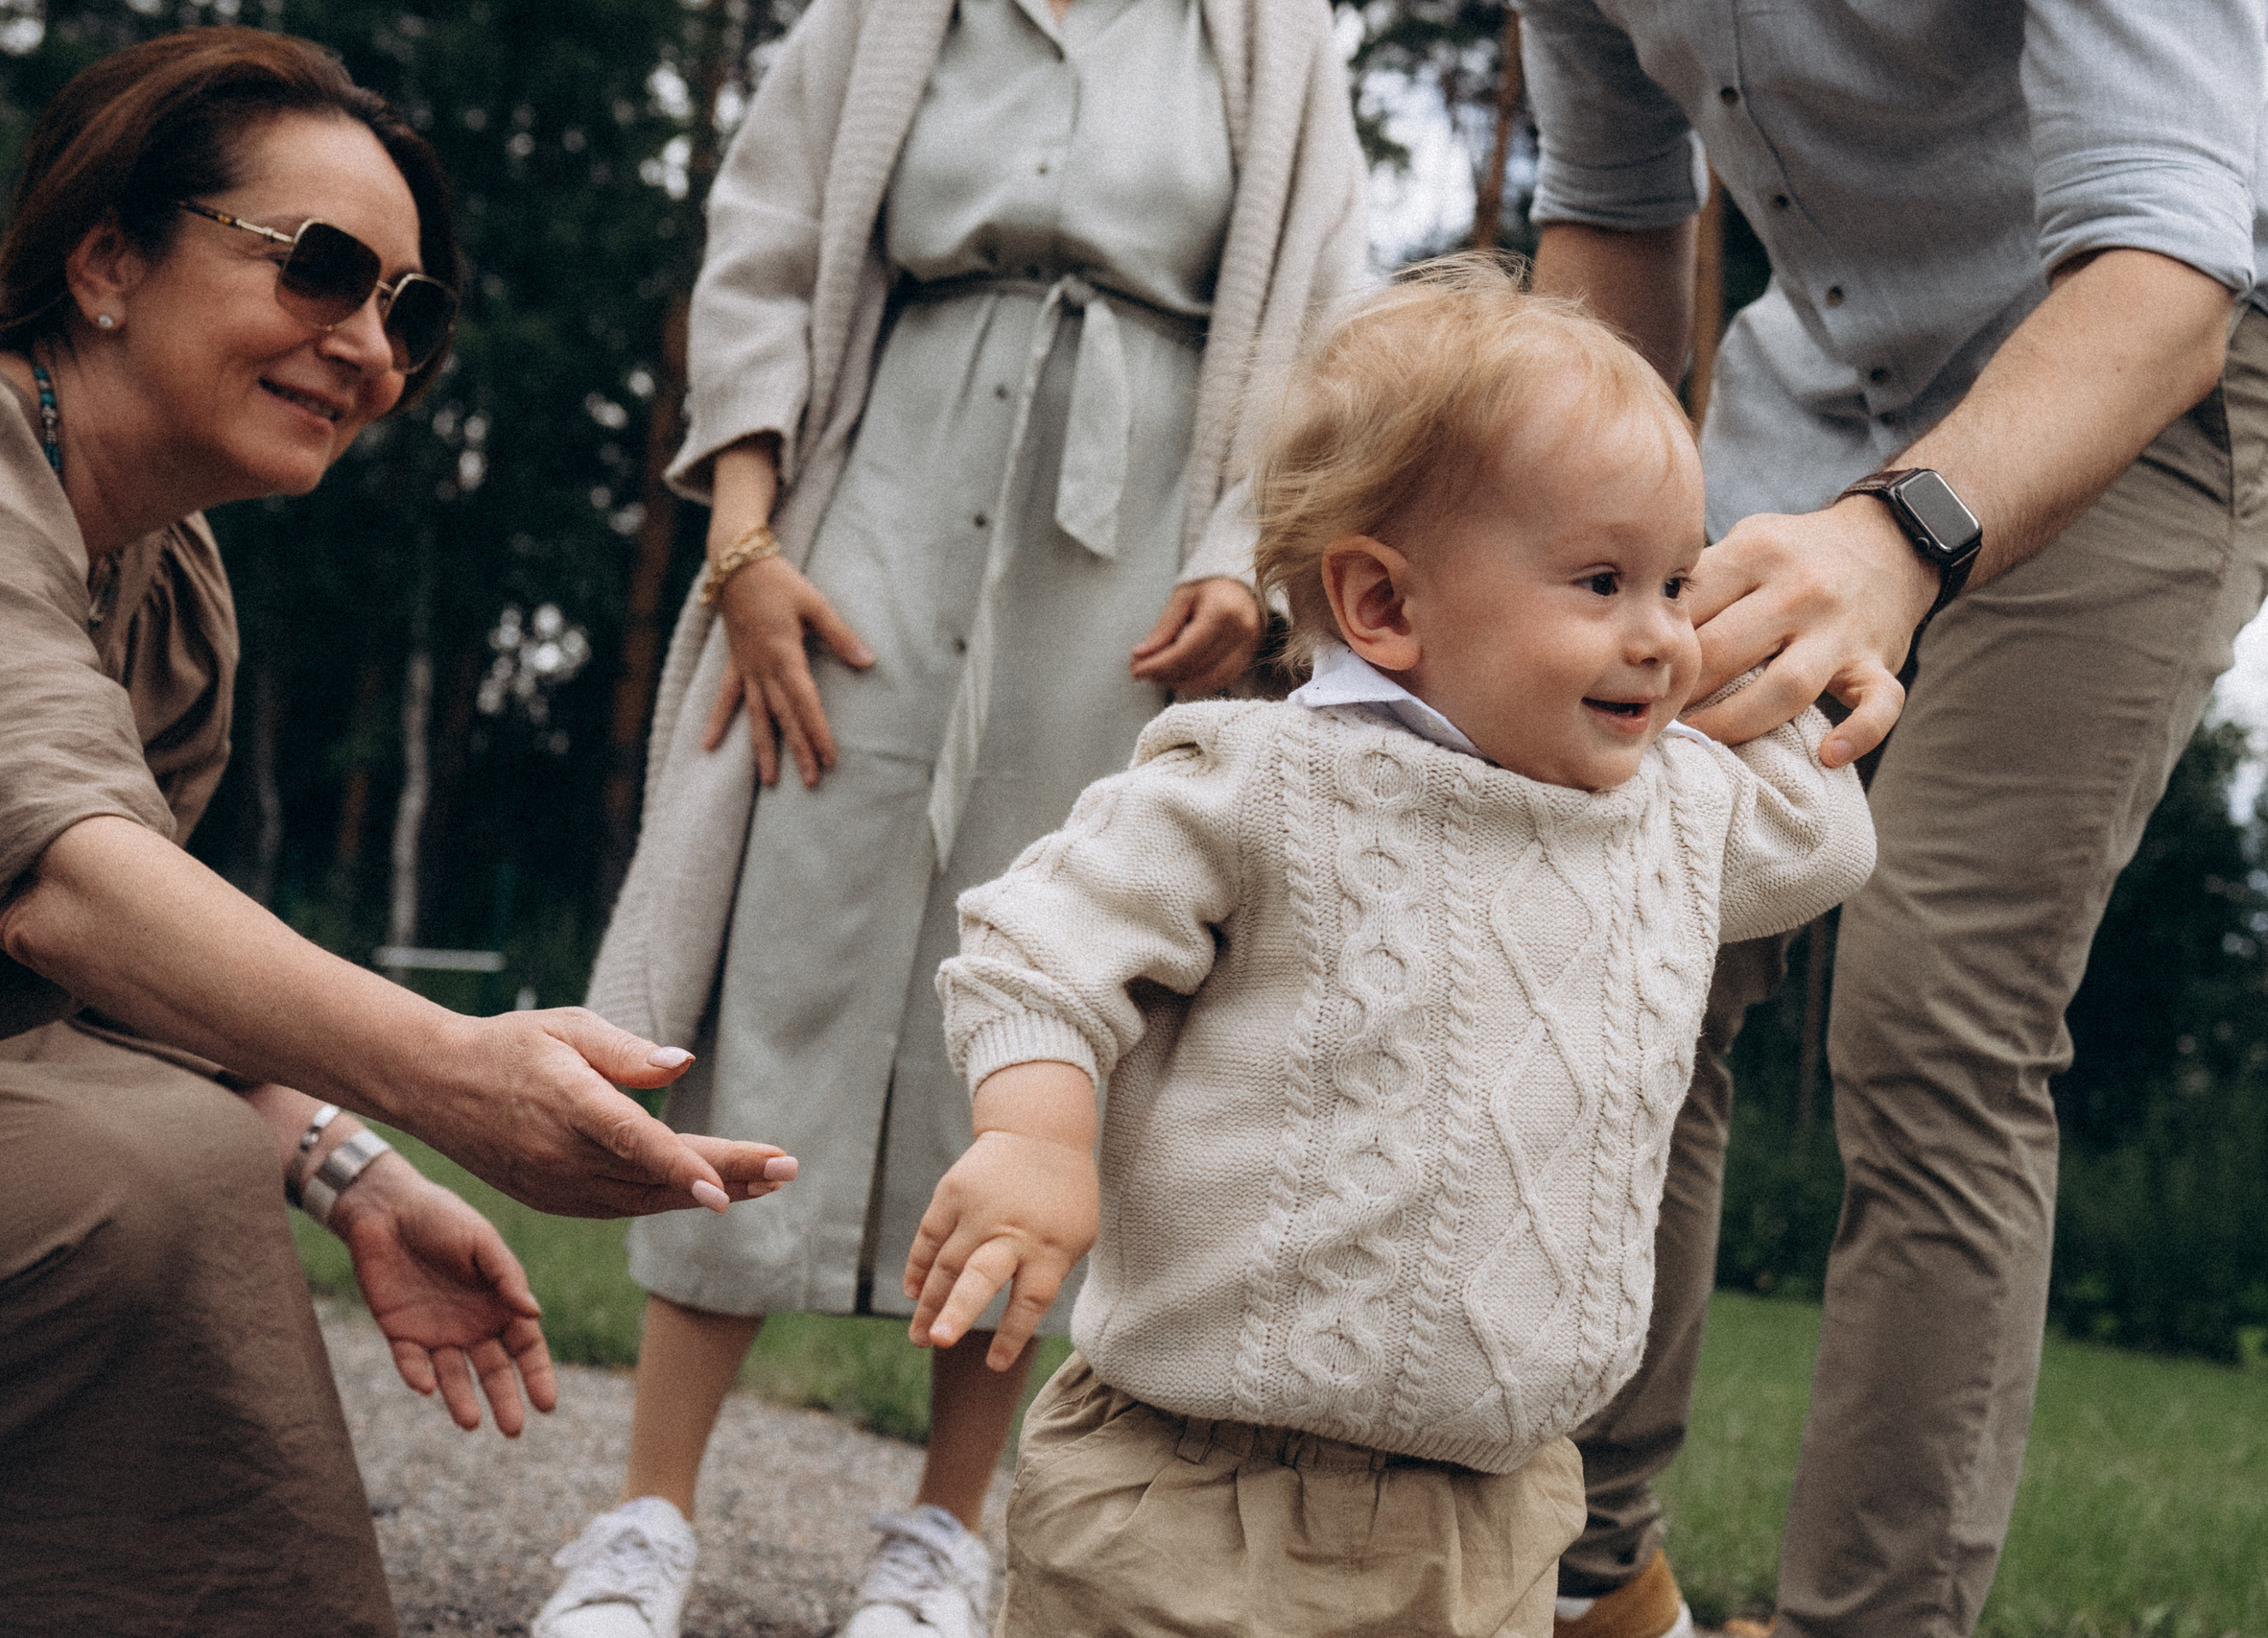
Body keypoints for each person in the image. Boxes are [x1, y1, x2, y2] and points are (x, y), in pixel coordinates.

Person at [1511, 5, 2268, 1635]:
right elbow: (1614, 218)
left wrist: (1901, 544)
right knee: (1631, 939)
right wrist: (1535, 559)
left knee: (1932, 1006)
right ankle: (1581, 1588)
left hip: (2153, 359)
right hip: (1825, 382)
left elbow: (2166, 274)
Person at [898, 259, 1877, 1638]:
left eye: (1679, 580)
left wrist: (1807, 666)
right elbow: (1035, 949)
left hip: (1492, 1518)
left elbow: (1827, 841)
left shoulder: (1672, 807)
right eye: (1603, 580)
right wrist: (1042, 1140)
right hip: (1192, 1490)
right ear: (1385, 607)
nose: (1662, 635)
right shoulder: (1263, 782)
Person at [552, 2, 1370, 1634]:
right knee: (767, 955)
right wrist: (745, 545)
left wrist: (1236, 550)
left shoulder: (1276, 31)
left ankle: (937, 1539)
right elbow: (766, 244)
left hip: (1130, 573)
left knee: (1052, 1005)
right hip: (874, 508)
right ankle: (642, 1520)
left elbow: (1318, 331)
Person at [0, 30, 794, 1638]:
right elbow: (72, 896)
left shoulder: (173, 583)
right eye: (323, 270)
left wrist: (351, 1169)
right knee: (138, 1176)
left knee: (186, 1159)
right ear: (104, 260)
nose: (369, 345)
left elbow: (116, 980)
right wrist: (448, 1074)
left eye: (407, 310)